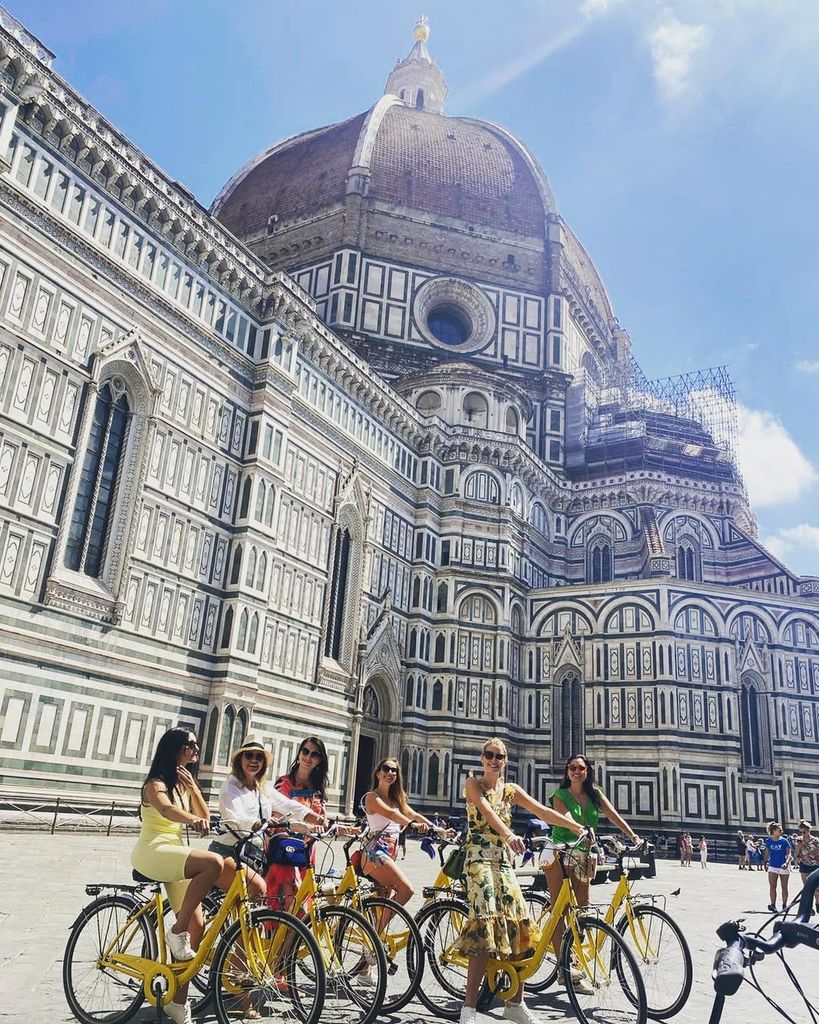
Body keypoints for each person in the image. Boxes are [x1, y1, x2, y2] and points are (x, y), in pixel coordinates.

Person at [456, 738, 587, 1024]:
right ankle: (469, 1008)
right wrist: (509, 834)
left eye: (499, 756)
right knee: (485, 921)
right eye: (489, 755)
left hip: (503, 860)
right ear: (482, 759)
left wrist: (574, 825)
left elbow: (543, 811)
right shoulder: (472, 785)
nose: (494, 760)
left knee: (521, 923)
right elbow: (487, 813)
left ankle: (515, 1003)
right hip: (478, 858)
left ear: (505, 761)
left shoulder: (511, 790)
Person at [131, 727, 222, 1024]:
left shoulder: (183, 784)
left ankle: (176, 1002)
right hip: (153, 851)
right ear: (174, 748)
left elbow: (205, 817)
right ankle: (175, 931)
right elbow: (168, 811)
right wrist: (193, 818)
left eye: (197, 745)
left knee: (198, 927)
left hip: (174, 853)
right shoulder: (154, 785)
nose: (196, 750)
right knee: (213, 864)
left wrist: (194, 789)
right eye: (191, 745)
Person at [544, 753, 641, 990]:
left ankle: (573, 959)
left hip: (584, 857)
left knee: (582, 912)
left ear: (587, 771)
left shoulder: (594, 794)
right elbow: (563, 817)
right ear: (567, 771)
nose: (577, 772)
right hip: (560, 853)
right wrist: (581, 830)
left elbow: (612, 814)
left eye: (581, 768)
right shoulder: (560, 795)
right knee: (560, 910)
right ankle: (563, 968)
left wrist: (633, 835)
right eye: (573, 768)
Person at [209, 736, 321, 906]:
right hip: (228, 852)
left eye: (259, 757)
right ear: (240, 759)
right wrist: (258, 822)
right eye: (249, 755)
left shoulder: (263, 789)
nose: (254, 760)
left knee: (248, 917)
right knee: (259, 889)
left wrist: (317, 818)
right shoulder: (230, 787)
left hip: (253, 856)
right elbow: (235, 816)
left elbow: (289, 805)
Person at [361, 756, 436, 906]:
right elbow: (391, 814)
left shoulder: (397, 800)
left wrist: (437, 829)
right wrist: (412, 825)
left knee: (381, 902)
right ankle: (377, 929)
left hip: (389, 853)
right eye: (386, 769)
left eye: (394, 770)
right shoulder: (371, 797)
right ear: (377, 773)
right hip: (374, 853)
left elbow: (413, 814)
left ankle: (367, 925)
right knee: (406, 890)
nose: (390, 772)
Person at [266, 736, 329, 912]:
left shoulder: (316, 790)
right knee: (292, 908)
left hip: (306, 854)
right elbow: (279, 815)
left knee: (302, 909)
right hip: (286, 852)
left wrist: (349, 829)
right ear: (299, 753)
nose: (308, 757)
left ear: (319, 760)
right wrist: (305, 825)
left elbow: (322, 820)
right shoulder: (284, 783)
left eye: (314, 755)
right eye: (305, 751)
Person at [763, 821, 792, 912]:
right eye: (779, 830)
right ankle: (773, 905)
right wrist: (765, 863)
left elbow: (789, 854)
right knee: (772, 886)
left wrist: (786, 863)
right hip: (773, 866)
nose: (781, 831)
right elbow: (767, 853)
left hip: (783, 866)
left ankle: (784, 905)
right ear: (774, 830)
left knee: (784, 887)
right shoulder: (768, 841)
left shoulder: (784, 841)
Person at [794, 819, 819, 911]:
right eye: (801, 832)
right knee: (807, 888)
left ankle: (818, 904)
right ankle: (809, 908)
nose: (802, 834)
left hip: (815, 866)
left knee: (817, 888)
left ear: (808, 830)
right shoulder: (799, 841)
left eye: (804, 832)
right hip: (804, 865)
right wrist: (796, 858)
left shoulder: (816, 841)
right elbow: (796, 853)